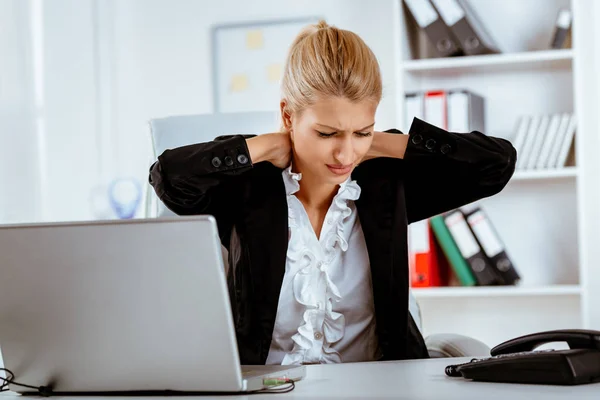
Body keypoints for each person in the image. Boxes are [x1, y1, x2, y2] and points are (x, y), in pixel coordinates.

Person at [149, 20, 516, 366]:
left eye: (361, 132)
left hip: (383, 387)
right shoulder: (249, 186)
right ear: (289, 116)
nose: (345, 155)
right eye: (327, 133)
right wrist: (261, 147)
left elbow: (495, 166)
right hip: (273, 389)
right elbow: (169, 177)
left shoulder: (384, 183)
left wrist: (388, 144)